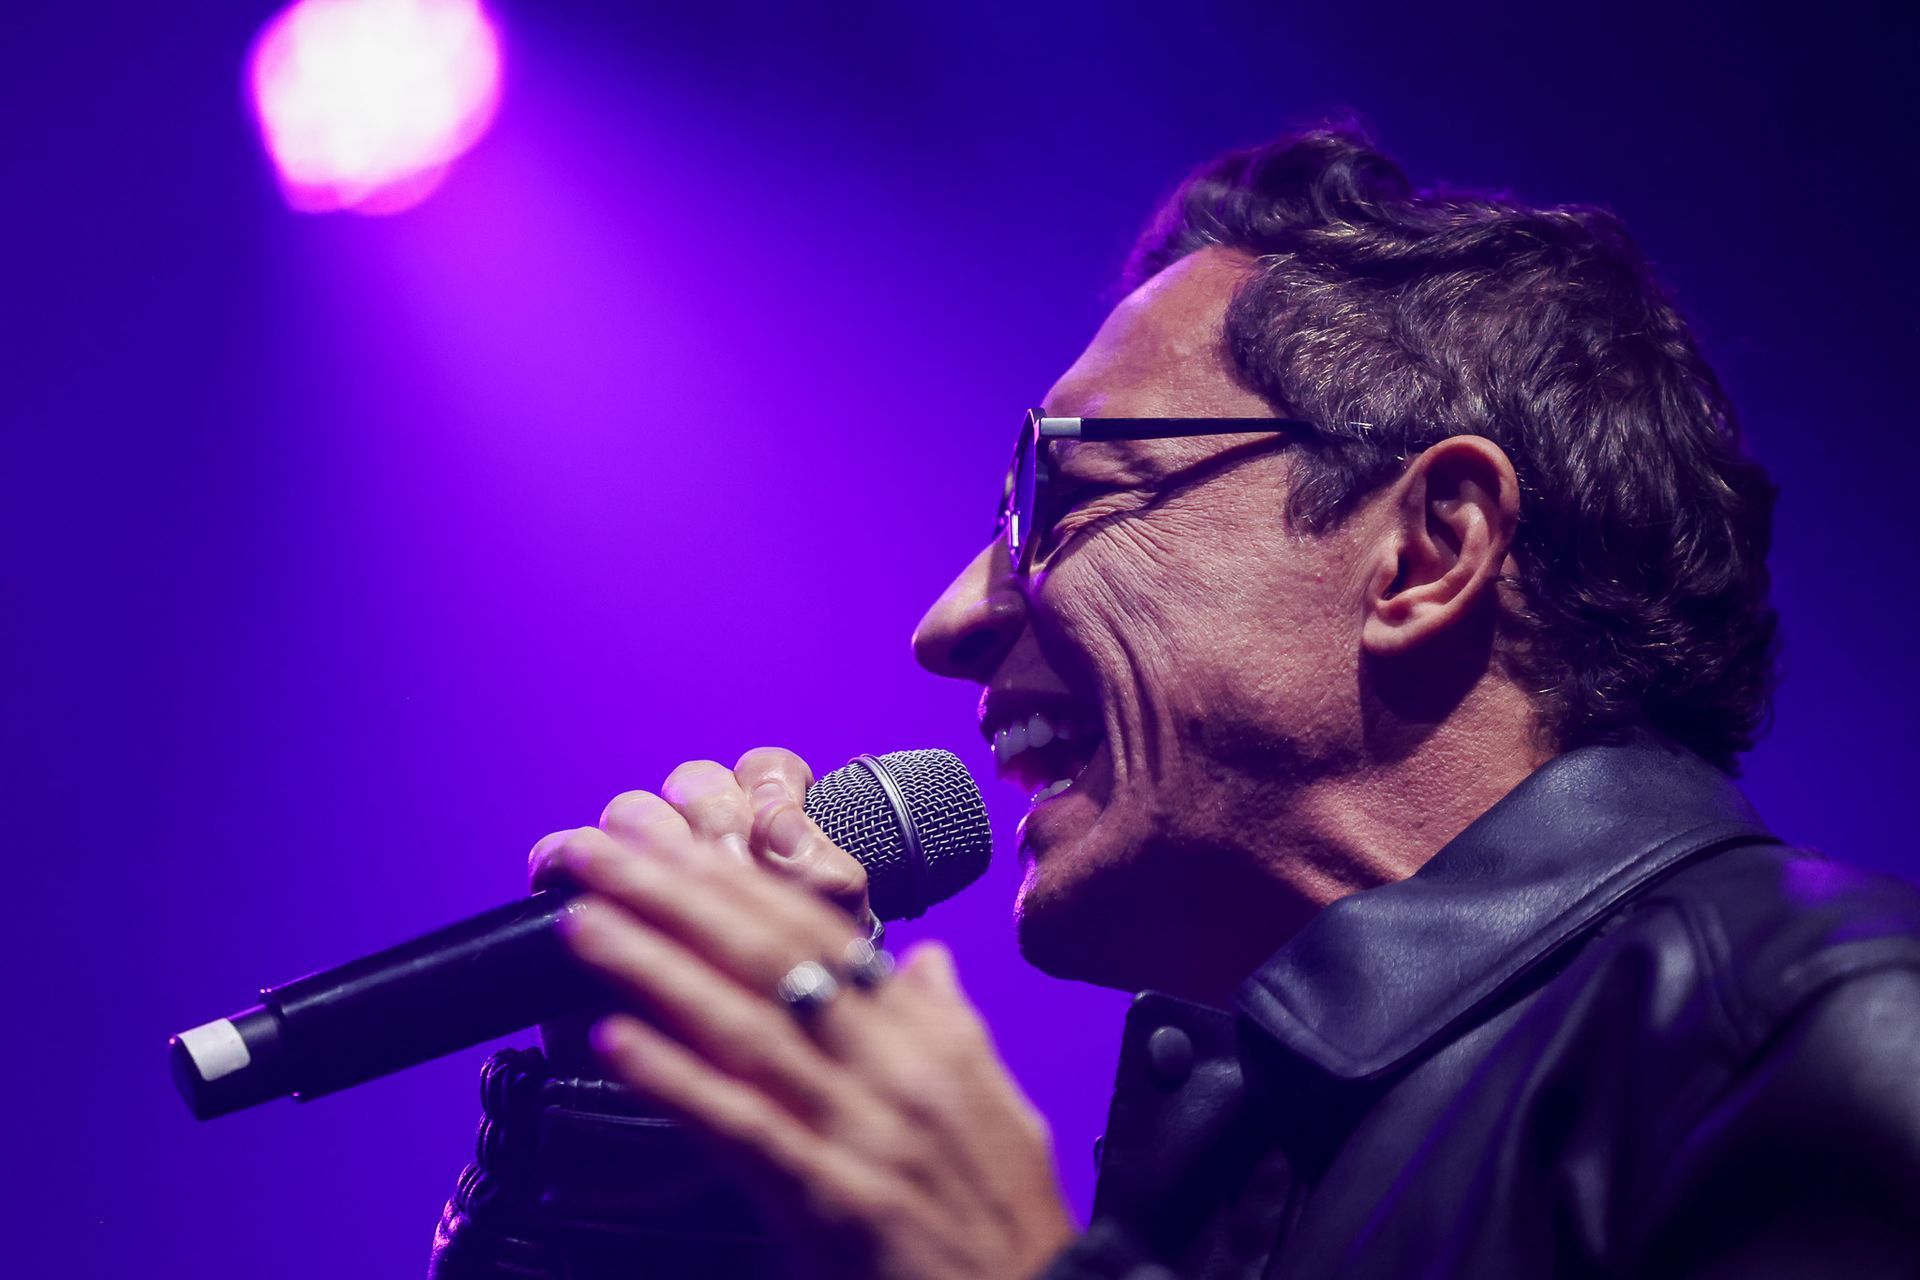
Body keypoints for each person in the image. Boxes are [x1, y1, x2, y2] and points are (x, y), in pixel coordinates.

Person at [429, 124, 1920, 1278]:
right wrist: (670, 1176)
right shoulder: (1243, 1156)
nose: (948, 622)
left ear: (1427, 548)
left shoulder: (1821, 1042)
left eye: (1055, 497)